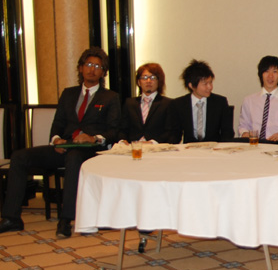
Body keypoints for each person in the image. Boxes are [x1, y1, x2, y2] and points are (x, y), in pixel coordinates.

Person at [0, 47, 121, 239]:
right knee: (19, 156)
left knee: (74, 158)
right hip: (64, 146)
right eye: (88, 64)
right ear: (80, 68)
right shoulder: (68, 93)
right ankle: (11, 217)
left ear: (103, 72)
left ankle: (66, 219)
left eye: (97, 66)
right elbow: (58, 123)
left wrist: (93, 137)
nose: (92, 69)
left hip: (90, 150)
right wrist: (56, 140)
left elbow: (114, 131)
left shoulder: (110, 97)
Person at [167, 60, 234, 143]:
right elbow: (174, 134)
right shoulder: (178, 104)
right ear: (191, 85)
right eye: (205, 84)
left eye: (210, 82)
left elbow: (227, 132)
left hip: (214, 148)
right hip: (189, 148)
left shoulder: (220, 102)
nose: (210, 87)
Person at [238, 56, 278, 144]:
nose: (270, 76)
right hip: (254, 146)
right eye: (266, 71)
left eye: (275, 72)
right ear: (261, 75)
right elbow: (242, 126)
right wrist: (245, 133)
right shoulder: (249, 100)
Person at [118, 63, 174, 144]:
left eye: (152, 77)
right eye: (144, 77)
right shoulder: (129, 103)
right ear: (139, 82)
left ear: (159, 81)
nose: (148, 81)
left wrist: (152, 143)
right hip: (133, 147)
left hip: (157, 148)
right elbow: (122, 129)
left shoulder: (168, 104)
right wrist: (122, 141)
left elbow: (170, 132)